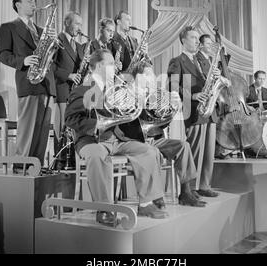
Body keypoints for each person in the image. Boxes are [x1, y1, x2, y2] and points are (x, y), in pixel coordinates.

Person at [64, 49, 169, 226]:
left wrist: (137, 101)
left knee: (148, 151)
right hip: (92, 140)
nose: (116, 68)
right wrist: (95, 125)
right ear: (99, 66)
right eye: (112, 64)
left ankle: (145, 203)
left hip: (117, 139)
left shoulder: (114, 90)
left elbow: (125, 117)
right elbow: (70, 119)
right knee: (97, 155)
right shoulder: (82, 90)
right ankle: (104, 209)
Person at [131, 61, 207, 207]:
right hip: (138, 140)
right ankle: (155, 196)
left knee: (183, 146)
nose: (152, 77)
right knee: (151, 152)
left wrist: (172, 110)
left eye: (152, 74)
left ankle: (185, 193)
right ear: (138, 77)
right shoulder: (132, 94)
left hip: (155, 138)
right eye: (148, 74)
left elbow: (161, 123)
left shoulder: (156, 95)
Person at [0, 0, 56, 166]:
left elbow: (50, 54)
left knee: (42, 130)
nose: (34, 4)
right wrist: (23, 61)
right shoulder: (8, 27)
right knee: (28, 129)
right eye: (29, 1)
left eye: (34, 1)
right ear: (18, 5)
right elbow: (2, 54)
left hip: (46, 83)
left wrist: (53, 47)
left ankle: (35, 167)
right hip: (28, 81)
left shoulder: (40, 30)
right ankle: (20, 166)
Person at [167, 26, 220, 198]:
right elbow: (173, 86)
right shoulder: (177, 61)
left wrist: (216, 76)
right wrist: (194, 95)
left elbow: (208, 81)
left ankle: (204, 184)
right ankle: (191, 188)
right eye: (193, 38)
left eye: (198, 38)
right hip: (193, 109)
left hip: (209, 109)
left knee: (209, 150)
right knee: (195, 150)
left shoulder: (203, 60)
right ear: (183, 40)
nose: (198, 41)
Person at [52, 11, 85, 151]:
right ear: (66, 23)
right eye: (77, 23)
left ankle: (71, 157)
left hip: (75, 92)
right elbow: (50, 65)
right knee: (62, 126)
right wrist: (68, 76)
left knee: (73, 125)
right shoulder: (57, 41)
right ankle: (59, 157)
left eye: (80, 25)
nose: (79, 28)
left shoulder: (78, 46)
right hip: (62, 88)